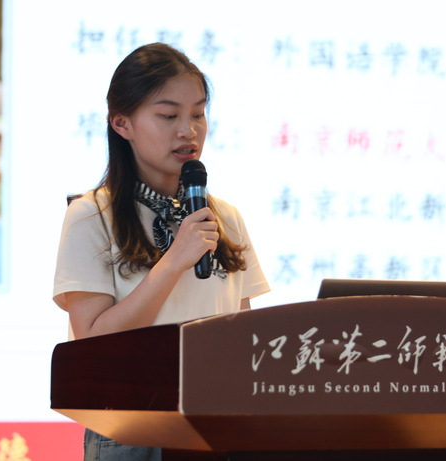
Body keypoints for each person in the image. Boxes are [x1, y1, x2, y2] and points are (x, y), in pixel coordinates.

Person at [53, 42, 270, 461]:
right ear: (122, 124)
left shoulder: (224, 218)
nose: (188, 130)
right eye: (169, 116)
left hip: (217, 425)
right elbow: (92, 345)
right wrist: (172, 263)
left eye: (198, 113)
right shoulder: (90, 216)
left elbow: (243, 338)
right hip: (129, 430)